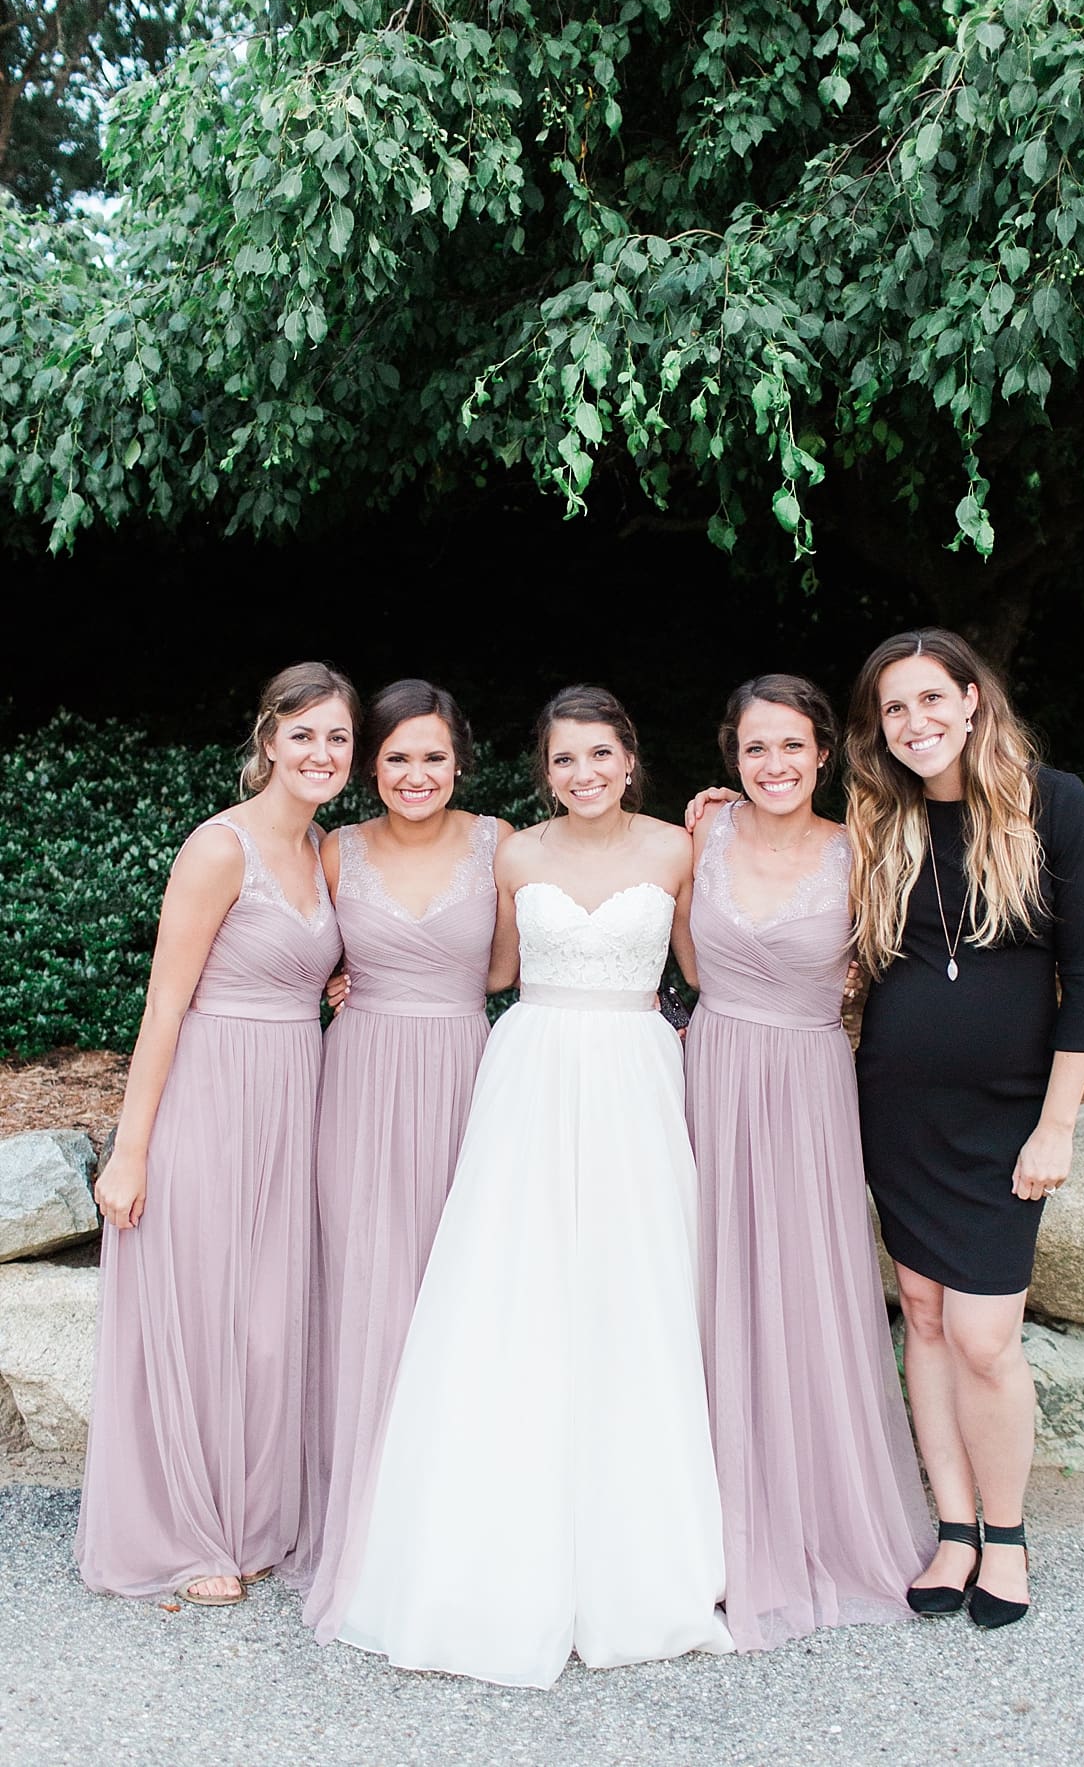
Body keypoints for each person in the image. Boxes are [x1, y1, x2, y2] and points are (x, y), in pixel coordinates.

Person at [332, 685, 731, 1687]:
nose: (584, 774)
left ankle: (646, 1544)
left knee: (634, 1287)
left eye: (600, 754)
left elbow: (709, 967)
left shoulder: (680, 850)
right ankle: (491, 1530)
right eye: (564, 760)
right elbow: (492, 965)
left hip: (638, 1071)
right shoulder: (515, 853)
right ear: (541, 771)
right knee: (517, 1284)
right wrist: (355, 977)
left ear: (631, 758)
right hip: (532, 1070)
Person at [845, 628, 1084, 1629]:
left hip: (1009, 1120)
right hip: (899, 1109)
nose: (914, 724)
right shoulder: (882, 815)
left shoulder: (1056, 802)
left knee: (984, 1334)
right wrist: (725, 814)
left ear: (970, 698)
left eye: (929, 699)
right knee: (919, 1310)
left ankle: (1007, 1532)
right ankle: (951, 1528)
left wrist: (1058, 1126)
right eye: (893, 710)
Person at [75, 662, 358, 1605]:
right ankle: (194, 1534)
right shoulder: (217, 848)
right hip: (211, 1091)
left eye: (338, 737)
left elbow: (318, 960)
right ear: (268, 739)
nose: (321, 753)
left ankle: (250, 1513)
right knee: (202, 1307)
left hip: (295, 1092)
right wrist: (130, 1146)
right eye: (304, 733)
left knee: (269, 1316)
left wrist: (338, 981)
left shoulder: (322, 850)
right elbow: (164, 1003)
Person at [684, 674, 933, 1651]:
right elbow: (675, 957)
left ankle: (809, 1516)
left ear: (824, 752)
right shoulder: (699, 836)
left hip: (808, 1078)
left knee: (802, 1287)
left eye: (792, 745)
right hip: (711, 1069)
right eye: (755, 749)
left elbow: (897, 974)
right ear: (729, 757)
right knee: (704, 1285)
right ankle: (703, 1529)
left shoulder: (862, 847)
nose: (774, 764)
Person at [290, 679, 512, 1640]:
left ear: (460, 759)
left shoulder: (501, 844)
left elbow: (510, 966)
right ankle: (367, 1515)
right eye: (395, 758)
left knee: (456, 1289)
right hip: (365, 1079)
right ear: (368, 767)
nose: (414, 775)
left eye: (432, 756)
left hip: (468, 1079)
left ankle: (454, 1511)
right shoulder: (334, 851)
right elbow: (289, 944)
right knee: (369, 1289)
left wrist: (712, 810)